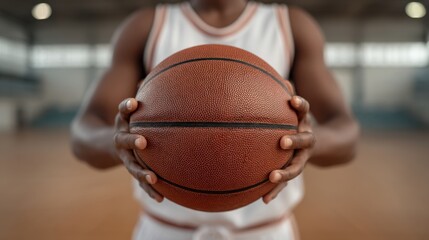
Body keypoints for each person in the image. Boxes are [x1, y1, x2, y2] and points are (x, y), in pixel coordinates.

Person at [71, 0, 359, 239]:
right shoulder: (146, 27)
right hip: (165, 230)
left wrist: (310, 143)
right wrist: (117, 144)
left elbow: (347, 132)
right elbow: (83, 131)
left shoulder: (291, 25)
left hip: (264, 231)